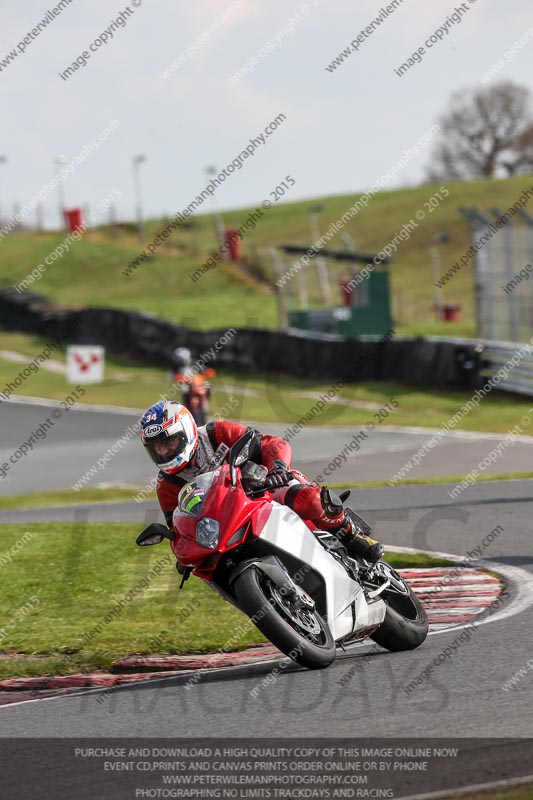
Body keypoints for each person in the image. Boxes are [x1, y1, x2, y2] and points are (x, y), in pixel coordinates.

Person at [139, 400, 384, 565]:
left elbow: (270, 443)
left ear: (186, 431)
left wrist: (277, 468)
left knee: (307, 499)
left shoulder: (216, 433)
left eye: (168, 442)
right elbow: (178, 526)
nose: (164, 451)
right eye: (157, 447)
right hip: (227, 522)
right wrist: (183, 551)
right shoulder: (167, 485)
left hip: (264, 490)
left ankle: (353, 537)